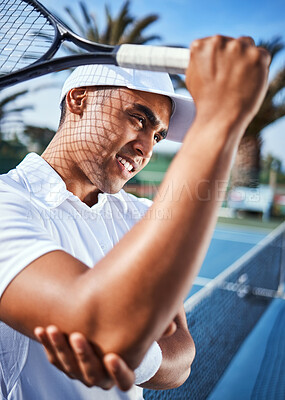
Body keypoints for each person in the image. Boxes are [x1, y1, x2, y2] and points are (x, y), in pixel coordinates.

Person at [0, 35, 270, 400]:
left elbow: (182, 361)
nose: (146, 147)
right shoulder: (6, 201)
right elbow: (103, 325)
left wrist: (130, 353)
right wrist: (219, 123)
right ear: (79, 98)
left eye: (157, 136)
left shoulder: (140, 216)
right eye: (139, 118)